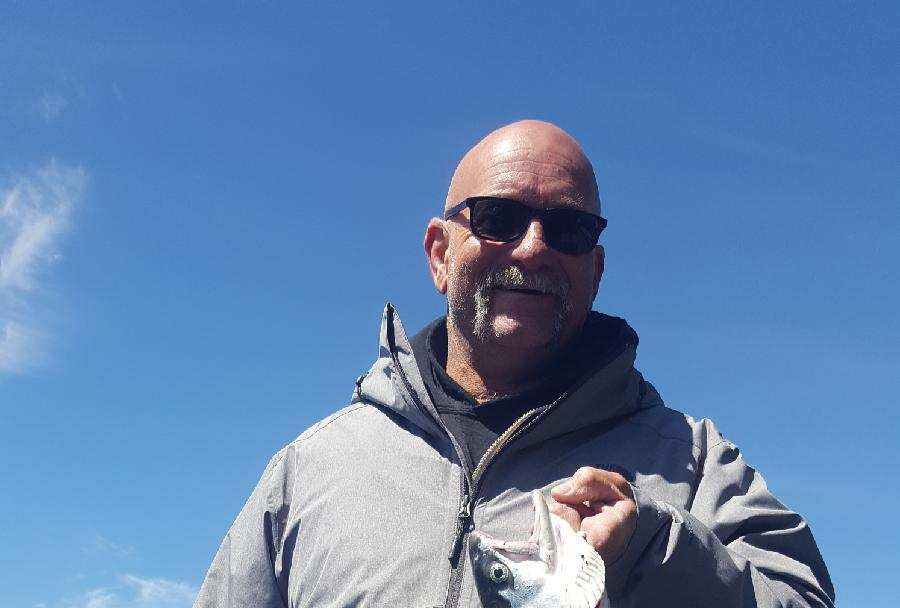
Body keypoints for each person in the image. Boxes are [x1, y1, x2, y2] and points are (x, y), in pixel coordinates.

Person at [193, 120, 835, 607]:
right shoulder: (310, 470)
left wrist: (651, 552)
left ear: (596, 269)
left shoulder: (691, 463)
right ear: (439, 253)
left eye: (568, 229)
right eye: (499, 218)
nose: (533, 249)